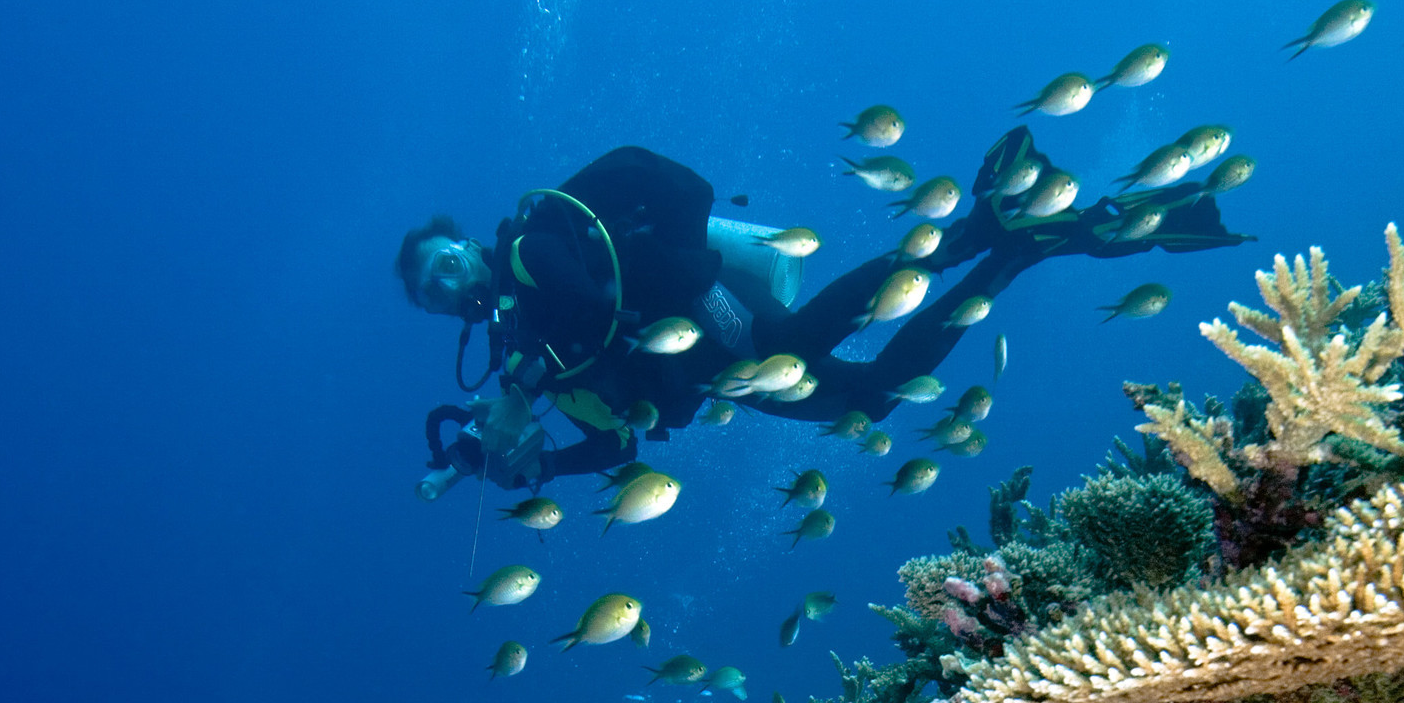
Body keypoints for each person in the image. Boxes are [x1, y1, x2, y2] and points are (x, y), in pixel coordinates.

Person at [398, 134, 1251, 497]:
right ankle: (1014, 246)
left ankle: (978, 228)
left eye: (442, 265)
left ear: (464, 242)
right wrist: (529, 469)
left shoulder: (530, 247)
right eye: (433, 296)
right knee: (869, 400)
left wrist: (539, 373)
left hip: (706, 319)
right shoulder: (518, 343)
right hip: (708, 373)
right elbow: (620, 439)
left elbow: (590, 299)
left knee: (798, 341)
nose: (447, 287)